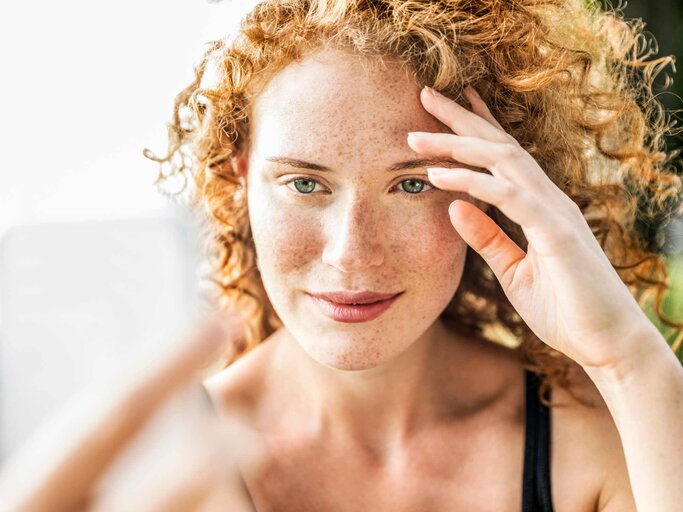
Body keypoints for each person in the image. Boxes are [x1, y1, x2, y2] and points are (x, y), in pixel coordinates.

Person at [2, 0, 682, 510]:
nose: (351, 254)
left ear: (502, 193)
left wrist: (629, 360)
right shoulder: (158, 470)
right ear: (238, 181)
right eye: (304, 183)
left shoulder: (599, 445)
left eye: (412, 183)